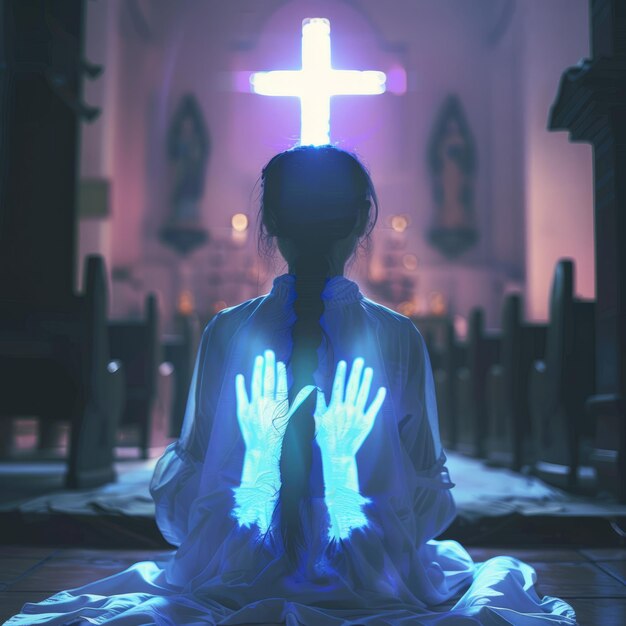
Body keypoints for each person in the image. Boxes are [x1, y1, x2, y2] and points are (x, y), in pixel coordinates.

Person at [6, 145, 576, 625]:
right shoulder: (398, 336)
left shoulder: (226, 331)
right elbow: (430, 509)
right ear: (361, 222)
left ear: (271, 223)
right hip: (371, 570)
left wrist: (257, 471)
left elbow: (183, 511)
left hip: (232, 566)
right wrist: (344, 477)